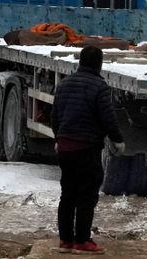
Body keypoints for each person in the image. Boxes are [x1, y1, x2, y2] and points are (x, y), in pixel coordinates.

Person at [51, 45, 124, 255]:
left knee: (68, 194)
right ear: (99, 64)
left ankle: (65, 240)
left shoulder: (64, 84)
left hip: (65, 147)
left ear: (80, 62)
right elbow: (107, 117)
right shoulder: (99, 87)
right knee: (87, 194)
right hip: (87, 147)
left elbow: (55, 115)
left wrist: (59, 137)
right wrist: (117, 139)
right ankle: (82, 240)